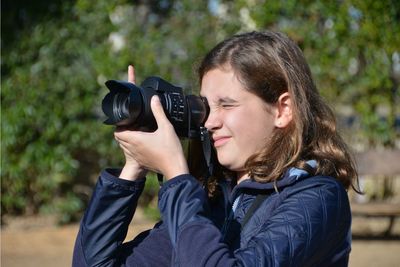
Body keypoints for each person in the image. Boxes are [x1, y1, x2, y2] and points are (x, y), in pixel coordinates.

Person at [73, 31, 359, 266]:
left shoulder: (318, 199)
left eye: (227, 104)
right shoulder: (212, 201)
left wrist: (176, 175)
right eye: (206, 106)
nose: (210, 121)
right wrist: (132, 169)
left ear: (283, 109)